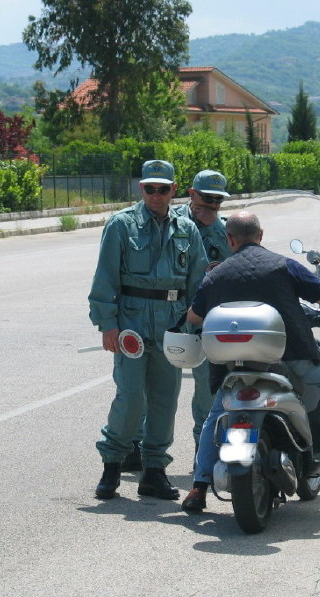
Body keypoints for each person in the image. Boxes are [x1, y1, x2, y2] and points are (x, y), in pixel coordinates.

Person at [180, 210, 320, 512]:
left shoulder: (215, 275)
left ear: (230, 240)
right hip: (290, 356)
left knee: (216, 413)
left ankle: (199, 487)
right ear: (261, 235)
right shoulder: (284, 266)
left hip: (234, 365)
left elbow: (194, 316)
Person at [88, 159, 208, 500]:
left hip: (172, 322)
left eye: (163, 189)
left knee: (164, 399)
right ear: (142, 189)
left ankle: (154, 471)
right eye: (150, 188)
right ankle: (112, 465)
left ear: (173, 190)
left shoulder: (186, 229)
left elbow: (198, 280)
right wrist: (107, 325)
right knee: (130, 398)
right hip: (132, 324)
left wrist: (196, 322)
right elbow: (105, 279)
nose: (156, 195)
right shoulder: (121, 225)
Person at [120, 169, 232, 472]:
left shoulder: (225, 230)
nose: (209, 205)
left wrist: (218, 232)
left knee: (208, 388)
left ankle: (203, 448)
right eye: (205, 198)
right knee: (151, 385)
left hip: (207, 319)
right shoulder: (171, 220)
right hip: (168, 315)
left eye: (217, 201)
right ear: (191, 194)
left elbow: (237, 266)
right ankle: (137, 445)